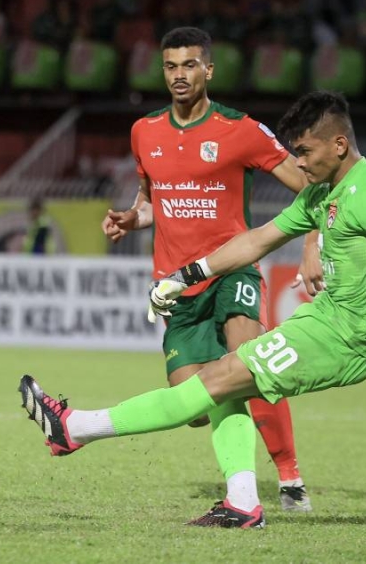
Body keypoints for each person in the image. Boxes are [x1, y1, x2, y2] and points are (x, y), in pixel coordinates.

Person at [22, 90, 366, 529]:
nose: (297, 162)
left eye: (304, 151)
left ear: (339, 145)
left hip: (348, 339)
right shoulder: (320, 194)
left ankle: (76, 427)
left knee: (216, 380)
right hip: (321, 322)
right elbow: (257, 240)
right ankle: (242, 502)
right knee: (221, 385)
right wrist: (187, 275)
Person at [101, 26, 321, 515]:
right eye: (171, 66)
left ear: (209, 69)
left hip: (231, 269)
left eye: (189, 65)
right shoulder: (145, 131)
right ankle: (246, 485)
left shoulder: (239, 129)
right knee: (195, 403)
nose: (179, 76)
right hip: (176, 286)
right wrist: (131, 218)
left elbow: (311, 187)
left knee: (249, 359)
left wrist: (311, 247)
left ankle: (288, 477)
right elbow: (155, 202)